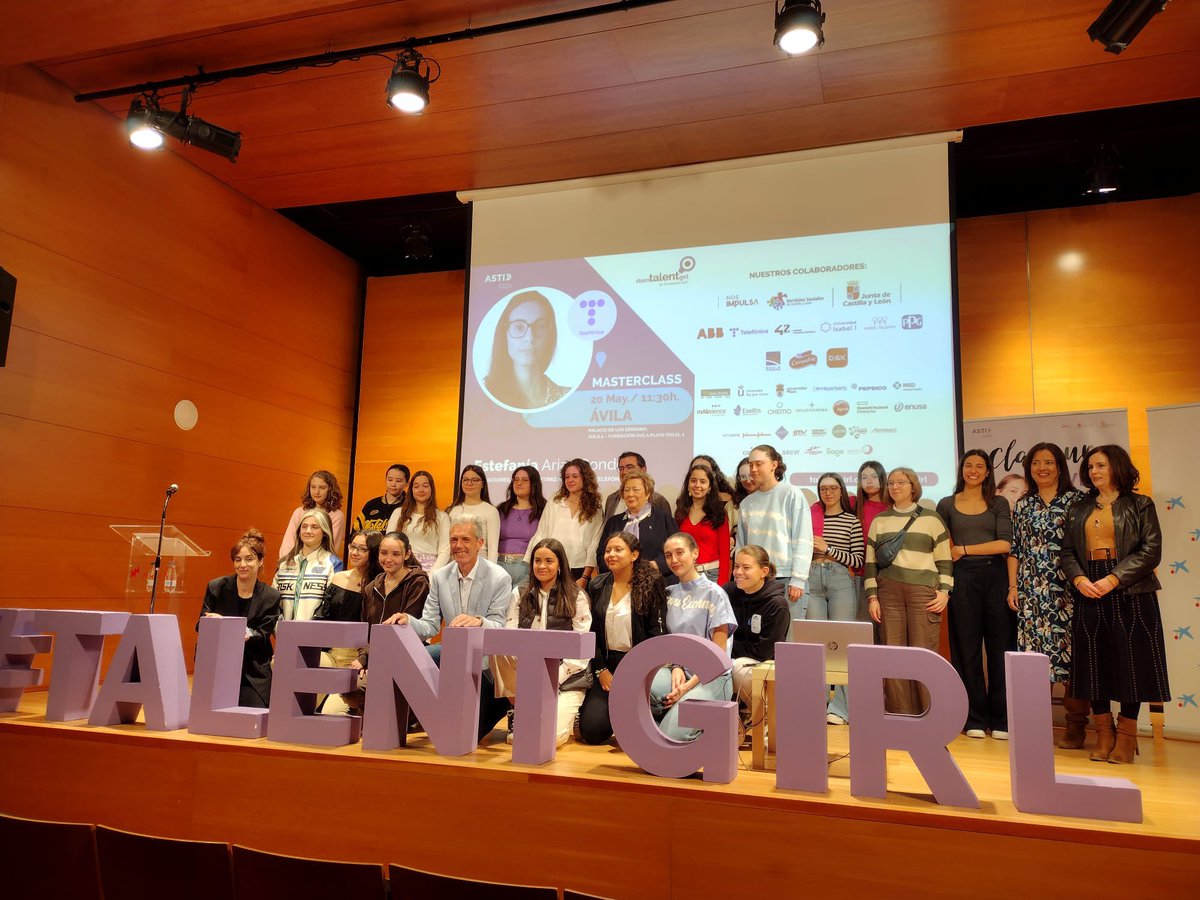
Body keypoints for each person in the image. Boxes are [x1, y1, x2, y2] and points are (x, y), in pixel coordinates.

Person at [1061, 445, 1169, 765]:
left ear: (1117, 467)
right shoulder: (1079, 508)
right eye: (1090, 466)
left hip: (1129, 588)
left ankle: (1126, 737)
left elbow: (1151, 551)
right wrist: (1080, 579)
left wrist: (1114, 579)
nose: (1094, 472)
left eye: (1101, 466)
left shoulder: (1140, 504)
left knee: (1130, 663)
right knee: (1094, 662)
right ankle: (1103, 734)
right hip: (1088, 586)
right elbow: (1068, 552)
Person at [392, 515, 514, 743]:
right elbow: (429, 625)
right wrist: (408, 620)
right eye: (454, 540)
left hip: (486, 660)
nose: (458, 546)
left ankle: (499, 703)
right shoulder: (440, 576)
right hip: (452, 652)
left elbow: (499, 627)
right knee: (417, 657)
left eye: (465, 539)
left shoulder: (500, 578)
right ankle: (416, 717)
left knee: (468, 733)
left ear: (480, 543)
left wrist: (478, 621)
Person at [1007, 443, 1086, 747]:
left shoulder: (1076, 501)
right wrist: (1013, 586)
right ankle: (1036, 727)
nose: (1042, 468)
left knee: (1071, 659)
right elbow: (1016, 549)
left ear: (1060, 466)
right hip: (1031, 592)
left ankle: (1076, 726)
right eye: (1036, 462)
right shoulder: (1024, 504)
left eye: (1048, 462)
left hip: (1068, 590)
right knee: (1034, 661)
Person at [937, 450, 1015, 739]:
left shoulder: (998, 502)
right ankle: (973, 718)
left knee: (999, 650)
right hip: (963, 579)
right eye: (968, 465)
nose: (973, 470)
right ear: (962, 470)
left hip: (995, 577)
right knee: (966, 651)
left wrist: (965, 549)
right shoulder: (947, 504)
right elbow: (940, 542)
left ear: (987, 471)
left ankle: (1002, 720)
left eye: (979, 466)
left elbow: (1004, 544)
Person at [864, 467, 952, 716]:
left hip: (923, 592)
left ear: (913, 486)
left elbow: (944, 559)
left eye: (901, 482)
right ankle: (899, 714)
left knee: (923, 652)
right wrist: (872, 597)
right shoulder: (880, 521)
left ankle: (928, 714)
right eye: (890, 483)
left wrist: (945, 591)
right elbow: (871, 563)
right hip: (888, 592)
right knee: (893, 652)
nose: (894, 487)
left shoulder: (932, 519)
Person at [492, 538, 592, 747]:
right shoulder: (520, 594)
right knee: (499, 648)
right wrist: (530, 676)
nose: (542, 566)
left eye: (548, 561)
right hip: (528, 675)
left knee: (547, 740)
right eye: (537, 561)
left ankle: (566, 715)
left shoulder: (577, 596)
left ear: (560, 565)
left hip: (566, 679)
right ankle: (517, 710)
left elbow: (581, 652)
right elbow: (510, 638)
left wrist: (554, 678)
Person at [578, 532, 669, 745]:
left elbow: (657, 634)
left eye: (618, 550)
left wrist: (638, 671)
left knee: (637, 732)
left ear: (634, 555)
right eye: (608, 550)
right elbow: (592, 635)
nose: (611, 554)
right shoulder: (597, 585)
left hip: (639, 663)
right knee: (591, 732)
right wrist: (601, 670)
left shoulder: (652, 583)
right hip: (607, 666)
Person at [649, 533, 737, 742]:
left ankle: (713, 725)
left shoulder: (715, 593)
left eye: (680, 553)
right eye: (668, 555)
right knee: (641, 686)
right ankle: (675, 713)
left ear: (695, 553)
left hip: (711, 677)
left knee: (672, 737)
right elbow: (668, 643)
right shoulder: (669, 593)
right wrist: (675, 667)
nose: (674, 560)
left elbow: (718, 653)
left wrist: (687, 687)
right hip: (678, 673)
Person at [344, 531, 431, 713]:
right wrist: (364, 659)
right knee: (348, 686)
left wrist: (369, 660)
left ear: (407, 554)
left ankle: (402, 718)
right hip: (374, 657)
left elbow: (406, 630)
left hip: (406, 659)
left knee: (363, 687)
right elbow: (365, 632)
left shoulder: (418, 583)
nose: (388, 559)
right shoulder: (371, 588)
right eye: (384, 553)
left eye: (395, 554)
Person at [197, 528, 282, 708]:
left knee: (253, 716)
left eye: (249, 559)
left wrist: (232, 628)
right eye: (238, 559)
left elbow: (263, 635)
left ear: (260, 561)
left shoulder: (271, 596)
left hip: (254, 668)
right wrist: (215, 623)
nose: (242, 564)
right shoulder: (216, 587)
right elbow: (200, 625)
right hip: (220, 663)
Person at [809, 472, 865, 724]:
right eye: (823, 489)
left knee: (842, 646)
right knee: (815, 646)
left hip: (841, 579)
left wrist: (828, 549)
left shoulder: (851, 521)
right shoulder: (811, 519)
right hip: (812, 577)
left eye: (833, 488)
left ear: (841, 490)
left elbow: (858, 560)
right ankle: (815, 703)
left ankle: (840, 708)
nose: (828, 493)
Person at [736, 444, 813, 618]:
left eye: (759, 464)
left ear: (774, 464)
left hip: (787, 580)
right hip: (756, 581)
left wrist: (798, 579)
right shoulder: (746, 504)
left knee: (790, 641)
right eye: (751, 464)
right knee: (760, 639)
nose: (753, 469)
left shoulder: (792, 494)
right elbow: (742, 546)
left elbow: (803, 538)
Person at [313, 530, 383, 715]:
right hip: (332, 654)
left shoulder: (379, 585)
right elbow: (322, 617)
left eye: (362, 549)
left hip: (357, 660)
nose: (355, 552)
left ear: (374, 553)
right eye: (353, 547)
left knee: (330, 714)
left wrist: (364, 660)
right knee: (286, 663)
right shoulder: (338, 577)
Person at [726, 545, 789, 714]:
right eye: (736, 566)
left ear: (764, 571)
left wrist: (727, 649)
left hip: (765, 663)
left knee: (738, 668)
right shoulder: (728, 592)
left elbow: (764, 651)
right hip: (730, 658)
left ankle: (767, 717)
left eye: (746, 567)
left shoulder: (776, 604)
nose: (738, 572)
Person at [525, 458, 604, 588]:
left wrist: (585, 576)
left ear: (585, 478)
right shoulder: (555, 502)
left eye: (575, 476)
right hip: (553, 566)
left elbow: (594, 542)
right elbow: (542, 533)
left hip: (580, 569)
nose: (570, 480)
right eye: (566, 477)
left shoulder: (595, 506)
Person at [484, 290, 568, 409]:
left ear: (550, 336)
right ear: (504, 335)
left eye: (540, 326)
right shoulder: (483, 395)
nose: (530, 337)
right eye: (519, 327)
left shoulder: (568, 397)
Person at [597, 469, 677, 584]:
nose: (630, 494)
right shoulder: (614, 522)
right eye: (627, 490)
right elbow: (601, 555)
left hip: (657, 583)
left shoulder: (663, 518)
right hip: (620, 584)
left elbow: (675, 551)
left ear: (648, 493)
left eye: (636, 490)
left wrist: (655, 565)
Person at [273, 508, 344, 623]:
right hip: (284, 635)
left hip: (317, 637)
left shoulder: (334, 564)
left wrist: (311, 633)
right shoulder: (284, 564)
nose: (308, 531)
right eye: (304, 526)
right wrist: (279, 629)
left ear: (325, 533)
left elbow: (331, 607)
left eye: (314, 527)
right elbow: (273, 603)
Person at [674, 463, 731, 584]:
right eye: (693, 481)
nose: (697, 485)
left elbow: (725, 553)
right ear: (688, 485)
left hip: (712, 576)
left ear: (710, 487)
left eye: (703, 481)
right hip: (686, 575)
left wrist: (722, 584)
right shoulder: (680, 513)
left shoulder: (719, 513)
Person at [386, 470, 451, 571]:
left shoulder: (442, 517)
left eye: (425, 486)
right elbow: (388, 543)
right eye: (416, 486)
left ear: (431, 489)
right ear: (411, 490)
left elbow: (445, 551)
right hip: (400, 568)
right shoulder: (398, 513)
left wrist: (432, 576)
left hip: (430, 571)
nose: (421, 490)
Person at [495, 465, 545, 588]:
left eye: (524, 480)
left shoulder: (544, 510)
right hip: (499, 566)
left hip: (527, 569)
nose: (518, 483)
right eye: (516, 479)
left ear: (534, 484)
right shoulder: (501, 510)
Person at [278, 470, 345, 561]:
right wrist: (288, 563)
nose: (316, 492)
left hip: (320, 564)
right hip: (294, 563)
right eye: (313, 487)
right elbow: (288, 543)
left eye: (322, 488)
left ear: (330, 489)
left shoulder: (337, 515)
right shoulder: (299, 512)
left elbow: (331, 546)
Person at [854, 460, 889, 621]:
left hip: (889, 576)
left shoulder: (893, 507)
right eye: (864, 477)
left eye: (874, 476)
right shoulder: (855, 505)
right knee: (865, 629)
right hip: (862, 575)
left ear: (882, 479)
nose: (869, 481)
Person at [446, 464, 502, 562]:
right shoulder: (452, 511)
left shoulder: (491, 511)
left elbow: (493, 550)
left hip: (480, 564)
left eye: (474, 480)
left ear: (483, 484)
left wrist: (490, 574)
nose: (469, 483)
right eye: (466, 480)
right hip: (454, 564)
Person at [602, 451, 673, 520]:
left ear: (643, 469)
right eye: (621, 469)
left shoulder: (659, 501)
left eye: (629, 467)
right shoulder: (612, 499)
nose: (624, 472)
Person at [353, 464, 409, 534]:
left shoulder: (408, 506)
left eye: (398, 481)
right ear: (385, 480)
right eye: (390, 480)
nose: (393, 484)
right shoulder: (371, 504)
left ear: (407, 483)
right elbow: (355, 531)